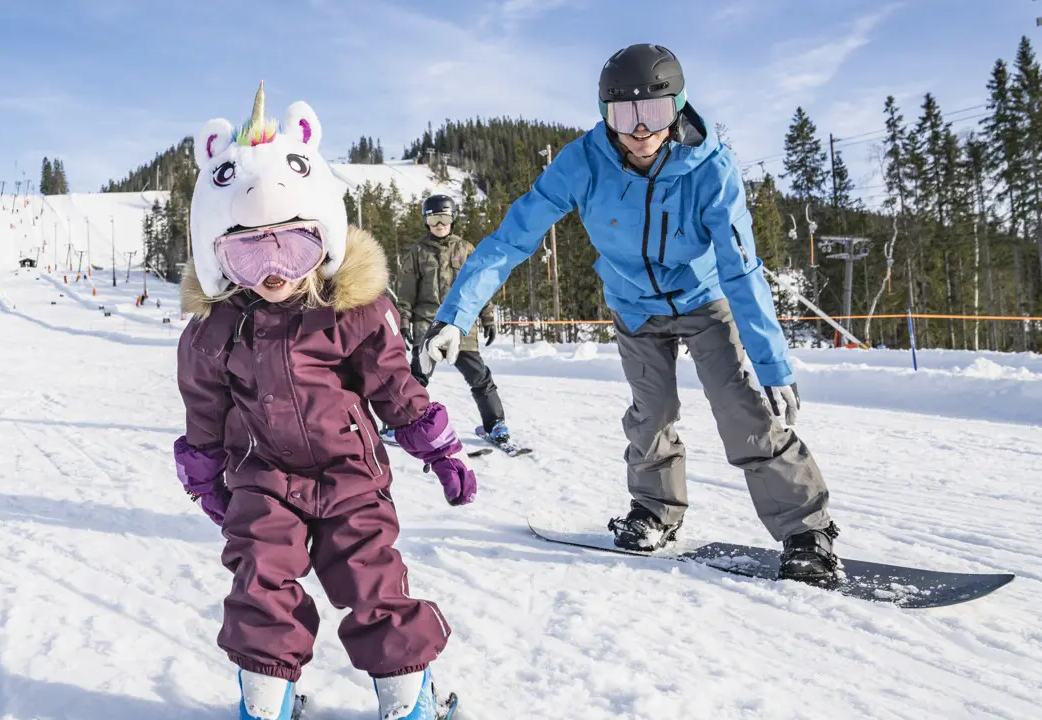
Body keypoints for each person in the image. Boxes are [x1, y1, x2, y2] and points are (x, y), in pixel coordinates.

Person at [425, 44, 839, 582]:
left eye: (656, 114)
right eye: (624, 116)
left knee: (745, 413)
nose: (641, 131)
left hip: (704, 299)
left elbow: (741, 269)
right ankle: (655, 512)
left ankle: (806, 532)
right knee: (652, 413)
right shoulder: (583, 162)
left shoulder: (712, 169)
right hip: (633, 305)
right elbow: (511, 240)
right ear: (604, 116)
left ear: (679, 109)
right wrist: (457, 314)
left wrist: (773, 365)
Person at [173, 84, 474, 720]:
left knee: (373, 580)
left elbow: (395, 385)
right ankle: (266, 703)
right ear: (218, 255)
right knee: (261, 587)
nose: (277, 270)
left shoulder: (352, 314)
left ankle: (407, 699)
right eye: (251, 252)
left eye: (295, 245)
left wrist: (438, 447)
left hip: (351, 478)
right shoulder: (215, 331)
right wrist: (205, 473)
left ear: (326, 239)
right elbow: (204, 409)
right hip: (264, 481)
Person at [393, 194, 510, 444]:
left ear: (453, 218)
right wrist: (403, 321)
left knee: (479, 377)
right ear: (426, 221)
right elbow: (406, 292)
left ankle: (496, 424)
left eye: (444, 217)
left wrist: (488, 317)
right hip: (427, 323)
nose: (439, 223)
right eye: (434, 218)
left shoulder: (465, 249)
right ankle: (400, 423)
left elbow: (479, 286)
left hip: (461, 322)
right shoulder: (417, 252)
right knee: (417, 377)